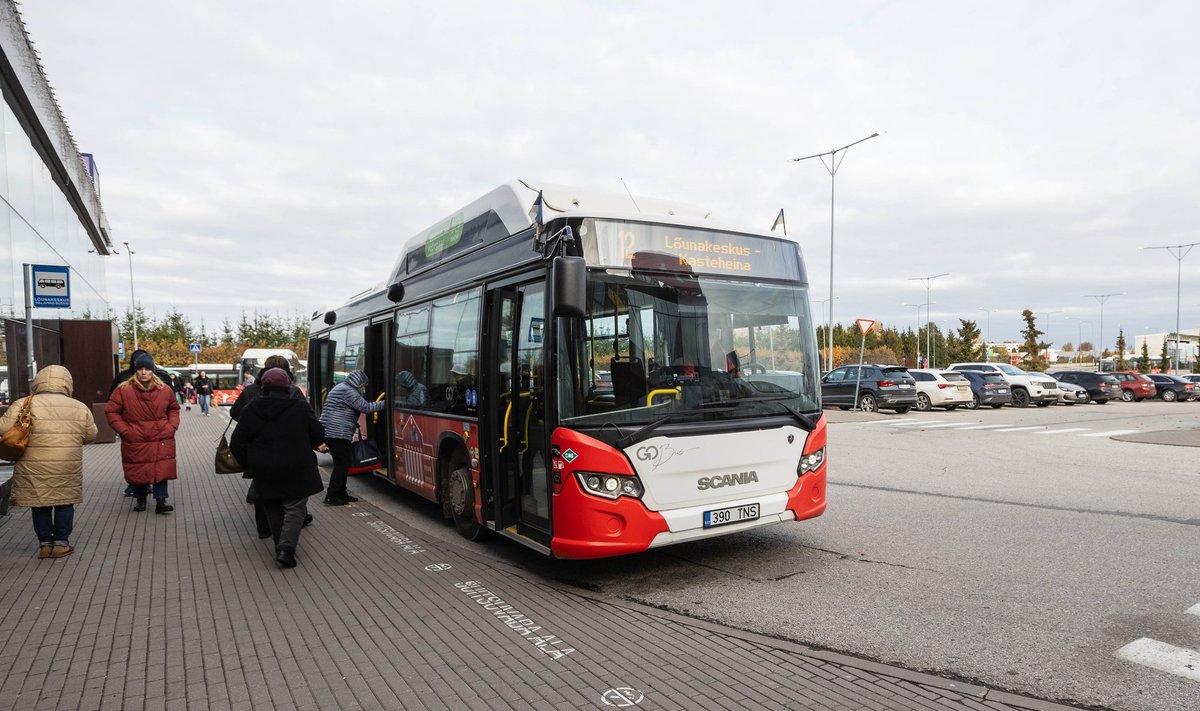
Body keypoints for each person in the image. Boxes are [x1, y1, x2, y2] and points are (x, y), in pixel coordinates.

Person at [230, 367, 325, 568]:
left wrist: (250, 463)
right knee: (295, 507)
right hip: (296, 466)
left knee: (272, 505)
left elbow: (236, 443)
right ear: (287, 386)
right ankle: (286, 549)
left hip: (264, 468)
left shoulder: (251, 409)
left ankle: (279, 546)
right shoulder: (300, 407)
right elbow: (318, 433)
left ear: (264, 386)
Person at [0, 365, 97, 559]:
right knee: (64, 501)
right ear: (67, 383)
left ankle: (45, 545)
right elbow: (91, 435)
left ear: (39, 381)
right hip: (66, 465)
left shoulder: (24, 403)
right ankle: (61, 543)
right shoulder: (78, 407)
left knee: (40, 503)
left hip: (32, 465)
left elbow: (3, 429)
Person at [231, 354, 310, 538]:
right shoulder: (293, 391)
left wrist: (251, 427)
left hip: (257, 450)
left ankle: (264, 529)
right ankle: (293, 525)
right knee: (292, 492)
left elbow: (235, 413)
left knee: (262, 491)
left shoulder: (251, 391)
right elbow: (306, 419)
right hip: (288, 450)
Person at [106, 353, 180, 514]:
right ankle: (140, 500)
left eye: (147, 369)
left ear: (153, 371)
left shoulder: (164, 389)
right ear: (136, 371)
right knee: (139, 468)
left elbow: (174, 409)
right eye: (140, 369)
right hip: (136, 437)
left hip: (161, 436)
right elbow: (111, 411)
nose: (144, 372)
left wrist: (171, 427)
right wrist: (125, 430)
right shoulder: (124, 390)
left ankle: (161, 500)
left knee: (161, 468)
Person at [317, 369, 384, 505]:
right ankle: (332, 495)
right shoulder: (348, 391)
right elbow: (365, 407)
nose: (363, 388)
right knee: (342, 465)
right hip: (337, 433)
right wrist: (386, 403)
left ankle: (341, 493)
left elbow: (341, 409)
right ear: (358, 382)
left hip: (332, 431)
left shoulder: (341, 387)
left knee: (344, 463)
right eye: (362, 385)